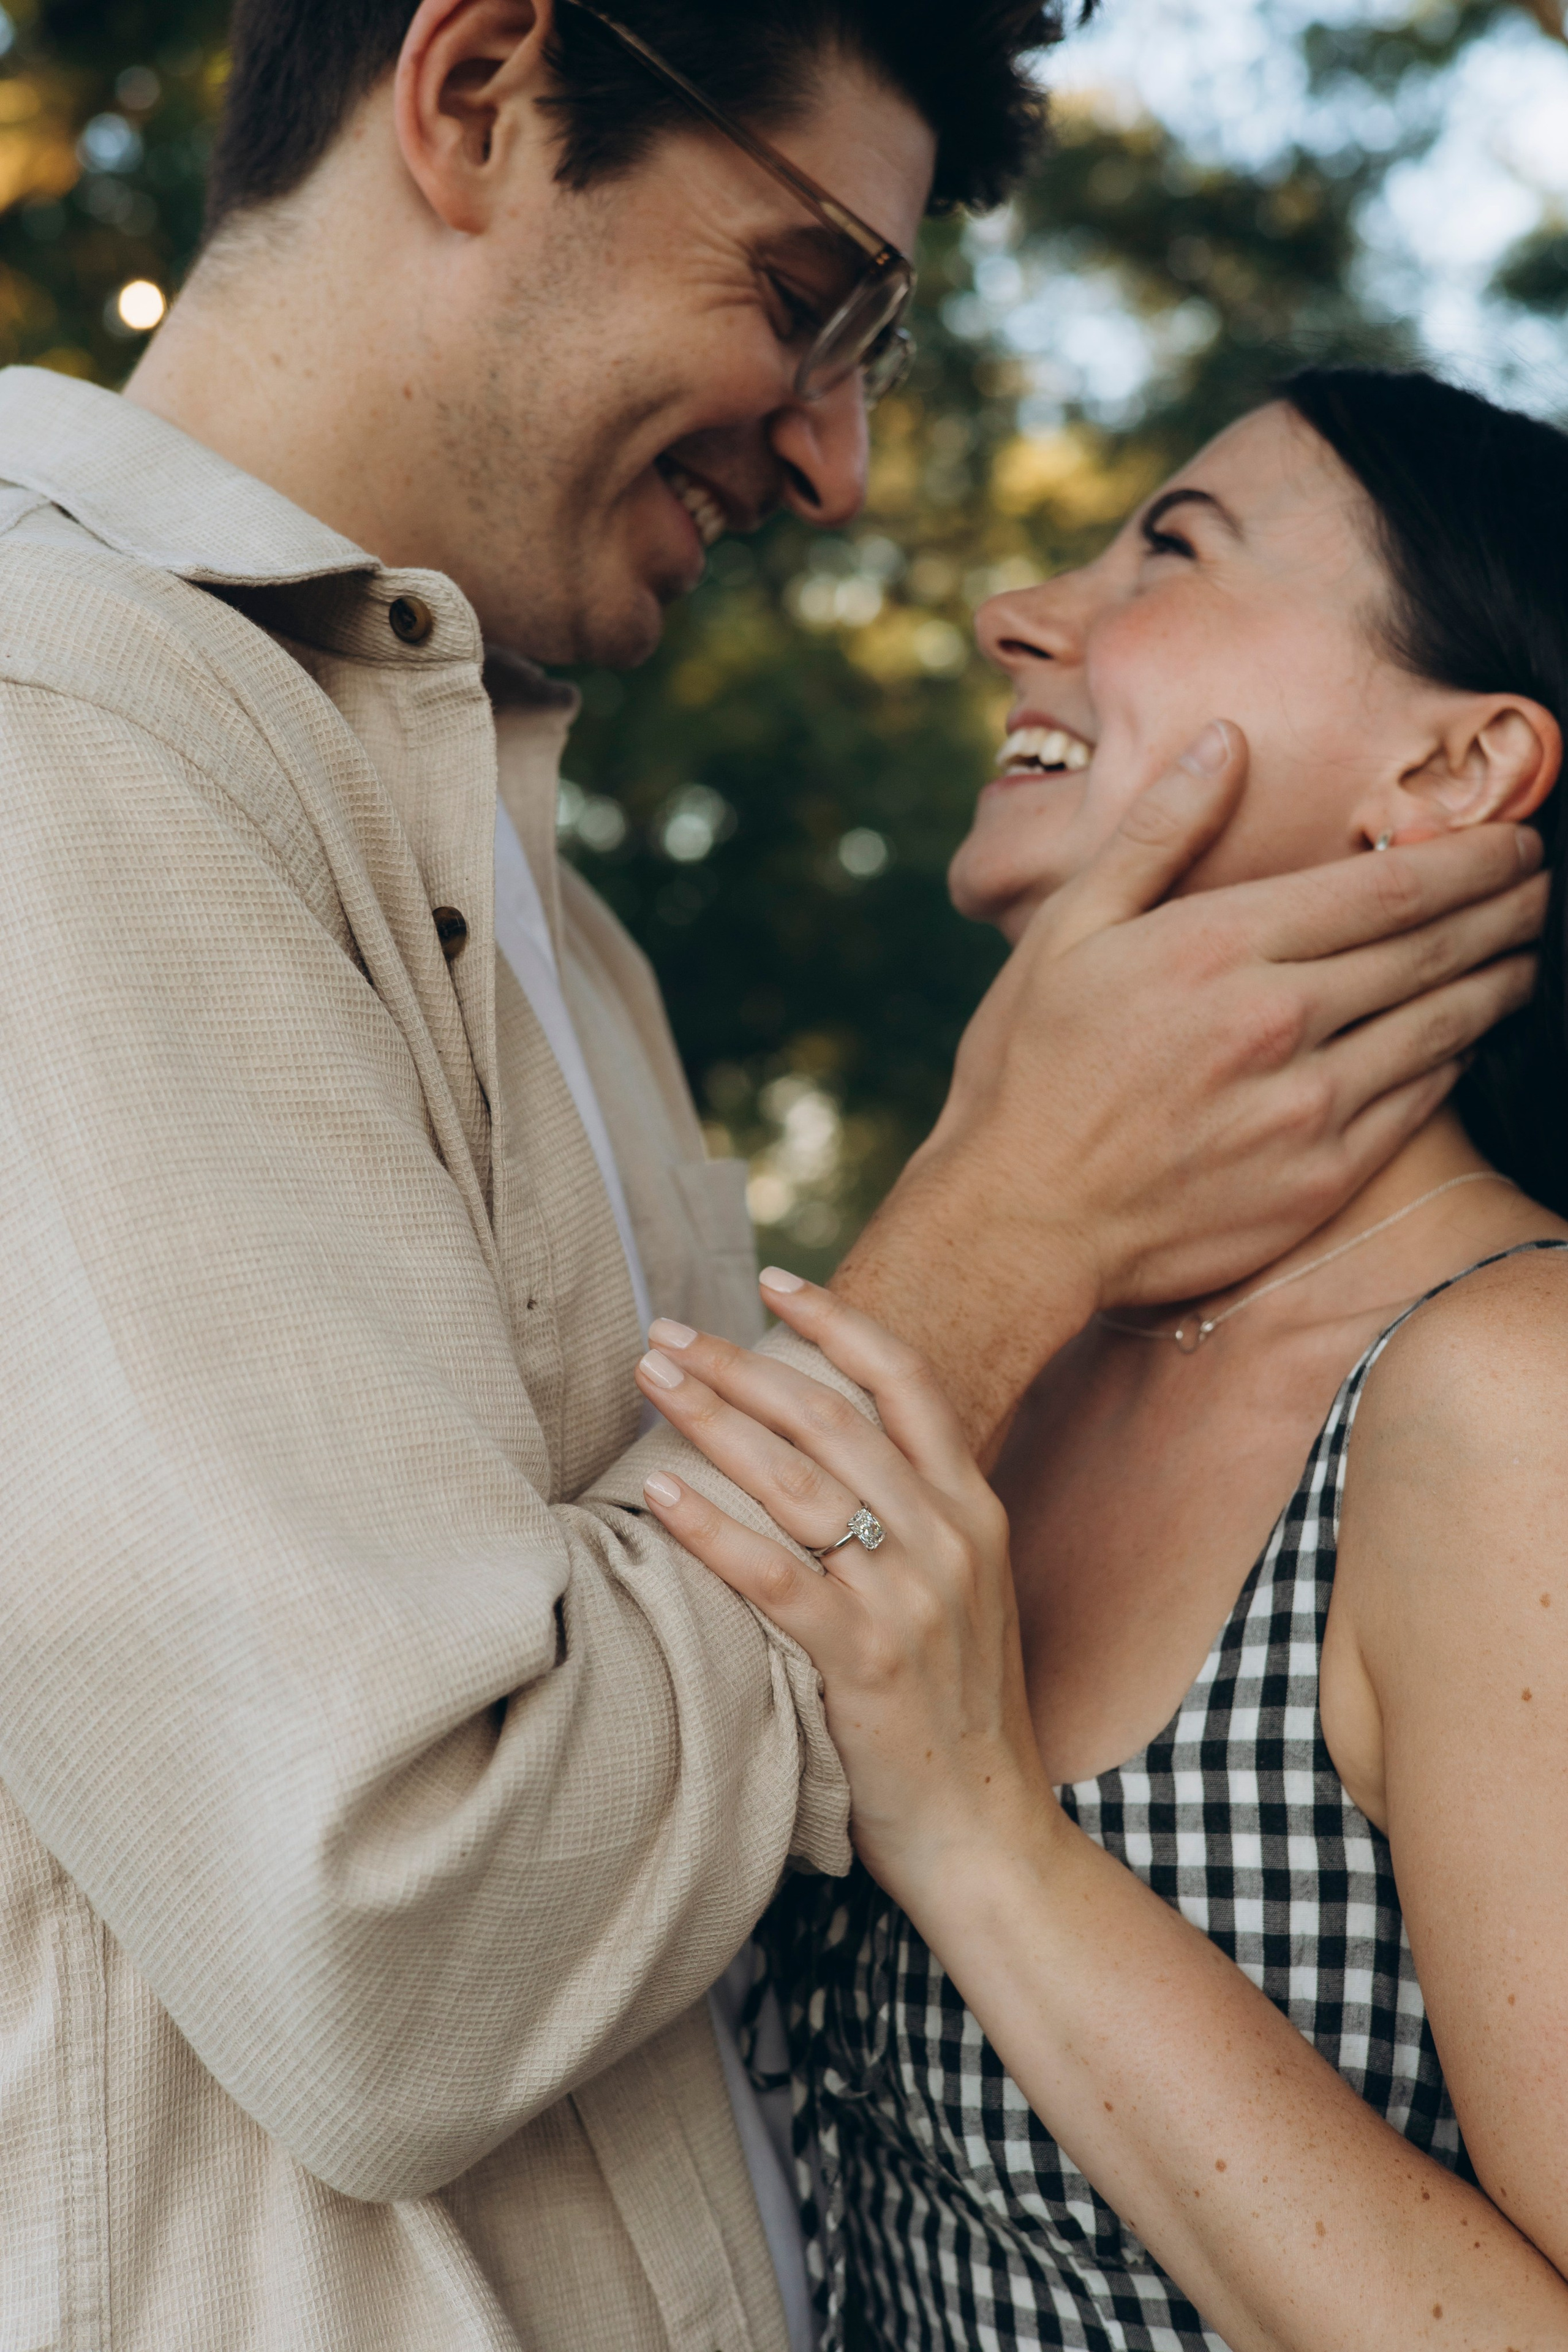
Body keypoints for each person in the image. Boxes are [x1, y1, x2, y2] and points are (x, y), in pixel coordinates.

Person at [0, 0, 1541, 2329]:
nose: (836, 463)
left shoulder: (565, 936)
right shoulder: (69, 752)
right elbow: (397, 1947)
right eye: (807, 293)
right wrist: (1003, 1217)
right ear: (480, 91)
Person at [632, 368, 1568, 2349]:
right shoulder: (1019, 1334)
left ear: (1459, 770)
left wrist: (977, 1828)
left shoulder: (1506, 1396)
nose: (1019, 615)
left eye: (1171, 546)